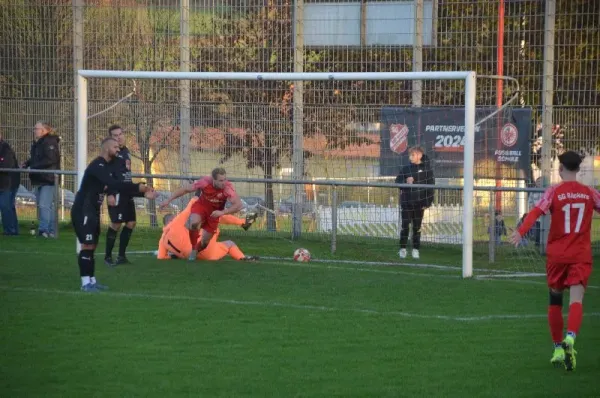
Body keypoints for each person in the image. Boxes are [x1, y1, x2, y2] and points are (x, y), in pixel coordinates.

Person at [510, 151, 600, 371]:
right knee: (576, 301)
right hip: (580, 255)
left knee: (555, 301)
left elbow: (535, 212)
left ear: (560, 170)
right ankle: (570, 338)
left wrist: (521, 232)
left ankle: (558, 348)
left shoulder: (553, 192)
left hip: (557, 256)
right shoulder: (590, 193)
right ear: (578, 170)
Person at [72, 137, 157, 292]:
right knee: (87, 245)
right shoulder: (97, 165)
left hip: (93, 209)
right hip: (83, 209)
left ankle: (91, 280)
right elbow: (114, 185)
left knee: (92, 246)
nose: (118, 149)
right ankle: (85, 284)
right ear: (106, 148)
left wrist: (142, 193)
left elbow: (119, 187)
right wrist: (139, 187)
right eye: (115, 147)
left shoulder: (108, 166)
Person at [159, 167, 244, 260]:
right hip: (203, 209)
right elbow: (186, 193)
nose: (223, 182)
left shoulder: (163, 238)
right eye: (220, 180)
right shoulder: (205, 182)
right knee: (197, 222)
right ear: (213, 180)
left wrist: (168, 200)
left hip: (213, 211)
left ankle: (195, 250)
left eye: (225, 180)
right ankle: (243, 225)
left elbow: (161, 257)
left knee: (204, 239)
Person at [157, 197, 258, 261]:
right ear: (172, 220)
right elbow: (190, 207)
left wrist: (174, 256)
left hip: (201, 257)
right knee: (215, 215)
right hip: (205, 249)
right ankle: (243, 223)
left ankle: (242, 257)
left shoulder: (162, 240)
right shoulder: (175, 224)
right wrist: (196, 199)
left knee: (229, 243)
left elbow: (161, 257)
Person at [104, 125, 136, 266]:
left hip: (127, 192)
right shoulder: (110, 154)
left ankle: (121, 256)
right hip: (116, 193)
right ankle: (108, 256)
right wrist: (110, 193)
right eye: (115, 135)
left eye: (120, 134)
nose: (119, 137)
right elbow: (106, 174)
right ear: (111, 138)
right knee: (116, 223)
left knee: (131, 223)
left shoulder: (126, 151)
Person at [22, 121, 60, 238]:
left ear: (44, 130)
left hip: (48, 178)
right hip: (39, 177)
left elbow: (50, 160)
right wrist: (27, 163)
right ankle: (50, 230)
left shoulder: (50, 142)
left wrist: (33, 167)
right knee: (45, 205)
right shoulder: (37, 143)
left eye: (36, 129)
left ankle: (44, 230)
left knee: (44, 205)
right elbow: (35, 158)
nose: (34, 131)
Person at [395, 146, 434, 259]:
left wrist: (427, 203)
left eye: (412, 155)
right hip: (407, 203)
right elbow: (397, 181)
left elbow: (431, 188)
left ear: (419, 155)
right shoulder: (406, 168)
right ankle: (402, 249)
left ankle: (416, 250)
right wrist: (405, 181)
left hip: (419, 204)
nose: (410, 157)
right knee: (405, 226)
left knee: (417, 228)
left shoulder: (427, 170)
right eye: (410, 155)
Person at [0, 132, 20, 235]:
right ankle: (13, 230)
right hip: (4, 182)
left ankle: (10, 230)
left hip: (8, 182)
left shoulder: (5, 149)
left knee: (5, 206)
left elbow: (7, 165)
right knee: (8, 206)